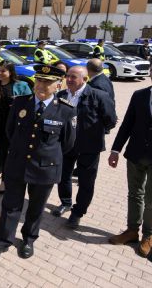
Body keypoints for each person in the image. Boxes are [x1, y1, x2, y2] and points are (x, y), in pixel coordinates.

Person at [0, 64, 76, 260]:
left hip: (45, 168)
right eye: (39, 80)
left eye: (48, 82)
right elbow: (10, 132)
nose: (42, 85)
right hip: (17, 164)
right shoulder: (19, 103)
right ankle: (3, 240)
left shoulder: (65, 111)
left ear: (58, 86)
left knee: (36, 207)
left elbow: (67, 144)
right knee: (10, 205)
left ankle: (28, 239)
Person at [52, 66, 117, 228]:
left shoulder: (99, 96)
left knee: (86, 181)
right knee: (63, 176)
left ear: (85, 79)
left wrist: (93, 132)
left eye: (73, 77)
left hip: (89, 147)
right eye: (67, 76)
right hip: (66, 146)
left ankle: (78, 212)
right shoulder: (61, 95)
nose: (68, 79)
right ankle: (65, 202)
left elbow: (111, 120)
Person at [107, 72, 152, 257]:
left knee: (151, 200)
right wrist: (115, 149)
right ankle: (132, 230)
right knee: (135, 194)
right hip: (136, 154)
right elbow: (127, 124)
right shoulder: (139, 95)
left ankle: (148, 235)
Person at [0, 61, 32, 193]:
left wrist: (18, 103)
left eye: (3, 71)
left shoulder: (21, 85)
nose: (0, 73)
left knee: (7, 152)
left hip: (11, 126)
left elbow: (30, 105)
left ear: (11, 72)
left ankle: (5, 180)